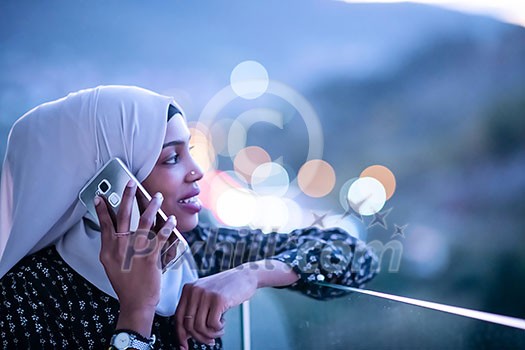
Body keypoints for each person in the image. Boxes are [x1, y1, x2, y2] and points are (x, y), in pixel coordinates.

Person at [0, 85, 378, 349]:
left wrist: (251, 274)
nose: (197, 171)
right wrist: (137, 310)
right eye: (171, 158)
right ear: (106, 175)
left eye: (190, 152)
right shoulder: (25, 295)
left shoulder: (189, 251)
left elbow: (356, 256)